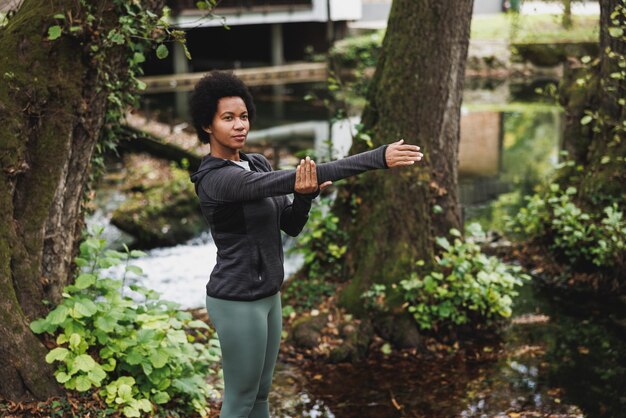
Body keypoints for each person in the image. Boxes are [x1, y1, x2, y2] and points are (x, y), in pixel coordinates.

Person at [189, 71, 423, 418]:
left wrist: (305, 196)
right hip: (237, 299)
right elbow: (286, 180)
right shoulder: (216, 180)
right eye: (228, 118)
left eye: (244, 116)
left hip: (269, 294)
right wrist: (377, 158)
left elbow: (291, 225)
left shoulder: (255, 163)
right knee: (240, 399)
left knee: (262, 396)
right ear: (207, 125)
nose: (240, 125)